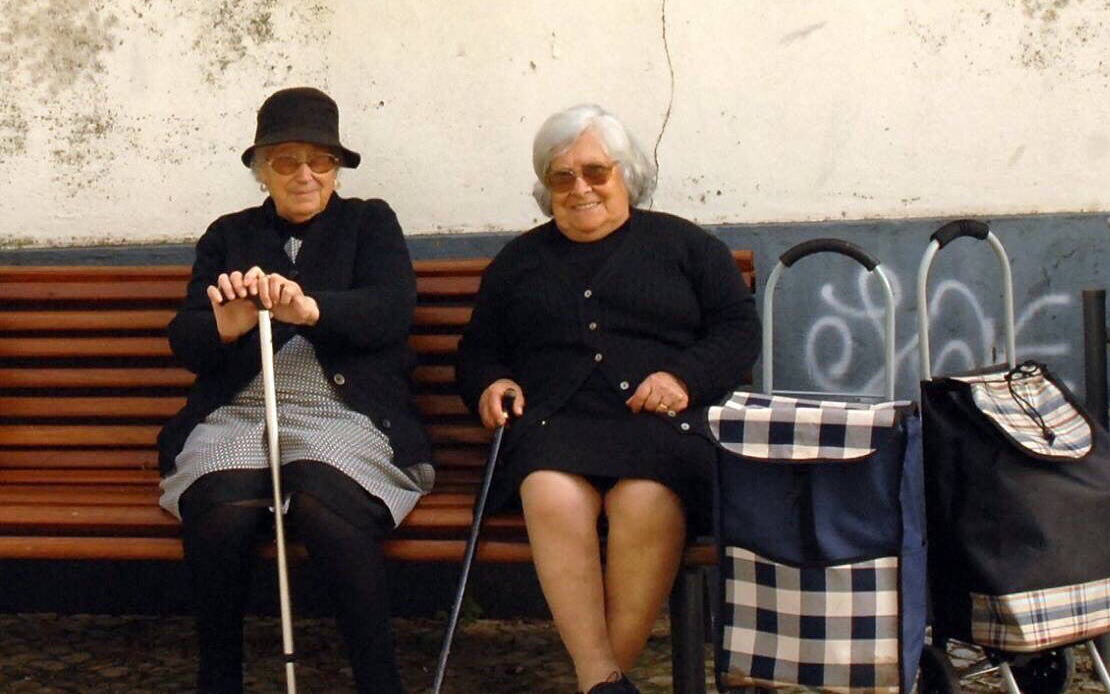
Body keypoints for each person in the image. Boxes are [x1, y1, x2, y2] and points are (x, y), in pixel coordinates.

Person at [456, 103, 761, 694]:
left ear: (628, 175)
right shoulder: (519, 261)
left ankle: (598, 680)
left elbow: (737, 330)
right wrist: (492, 383)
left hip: (658, 429)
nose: (581, 188)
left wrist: (682, 377)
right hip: (554, 426)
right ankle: (604, 680)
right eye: (562, 176)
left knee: (646, 497)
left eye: (597, 171)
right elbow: (478, 350)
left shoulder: (684, 246)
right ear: (546, 187)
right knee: (548, 492)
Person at [158, 86, 432, 694]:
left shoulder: (371, 223)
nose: (305, 175)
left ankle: (378, 681)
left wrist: (312, 309)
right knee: (222, 502)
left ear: (337, 168)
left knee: (321, 498)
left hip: (343, 409)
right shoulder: (228, 234)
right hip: (240, 409)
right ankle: (219, 677)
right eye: (286, 161)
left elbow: (392, 311)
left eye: (321, 160)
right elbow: (187, 337)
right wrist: (225, 326)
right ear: (262, 172)